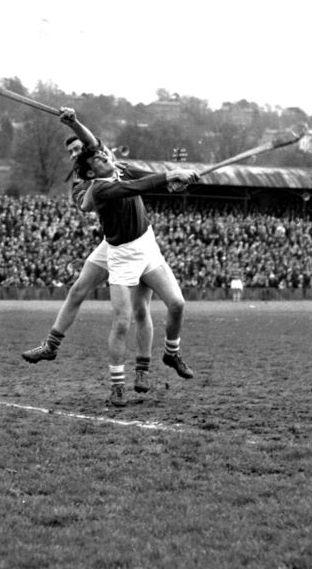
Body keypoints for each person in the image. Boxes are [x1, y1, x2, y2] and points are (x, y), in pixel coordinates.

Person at [22, 110, 176, 398]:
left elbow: (94, 147)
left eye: (78, 148)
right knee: (78, 290)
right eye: (71, 152)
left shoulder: (109, 164)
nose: (75, 153)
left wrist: (73, 122)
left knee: (140, 310)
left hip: (137, 242)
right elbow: (86, 206)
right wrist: (93, 179)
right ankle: (51, 346)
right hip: (113, 245)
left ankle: (142, 369)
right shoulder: (83, 184)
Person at [62, 107, 200, 406]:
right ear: (86, 169)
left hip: (145, 244)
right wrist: (169, 175)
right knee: (122, 319)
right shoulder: (92, 186)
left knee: (176, 303)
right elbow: (135, 186)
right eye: (80, 154)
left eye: (81, 148)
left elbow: (139, 175)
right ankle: (115, 383)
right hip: (118, 250)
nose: (94, 154)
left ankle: (171, 353)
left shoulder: (111, 164)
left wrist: (174, 181)